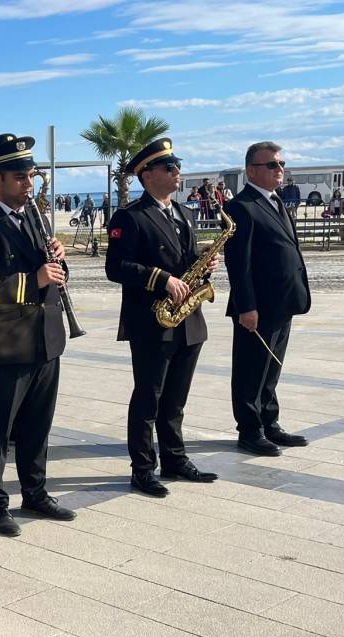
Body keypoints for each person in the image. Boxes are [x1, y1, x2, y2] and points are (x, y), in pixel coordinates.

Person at [0, 134, 74, 537]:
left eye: (32, 175)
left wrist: (58, 264)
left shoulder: (33, 218)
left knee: (38, 425)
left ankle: (35, 493)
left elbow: (52, 278)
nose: (29, 183)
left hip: (45, 339)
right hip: (3, 345)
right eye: (20, 176)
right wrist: (34, 278)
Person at [104, 139, 220, 497]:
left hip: (188, 318)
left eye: (176, 166)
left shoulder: (185, 214)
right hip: (152, 320)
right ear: (147, 175)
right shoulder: (131, 216)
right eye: (169, 168)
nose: (177, 173)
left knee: (176, 399)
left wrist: (206, 266)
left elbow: (189, 258)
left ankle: (175, 458)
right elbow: (116, 267)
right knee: (149, 398)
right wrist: (161, 279)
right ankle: (142, 468)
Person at [224, 141, 311, 457]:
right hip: (257, 307)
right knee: (251, 369)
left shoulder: (277, 203)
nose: (280, 169)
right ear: (251, 170)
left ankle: (269, 422)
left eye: (281, 163)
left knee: (271, 368)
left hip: (283, 302)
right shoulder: (241, 207)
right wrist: (247, 306)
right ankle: (249, 430)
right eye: (272, 165)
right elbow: (239, 263)